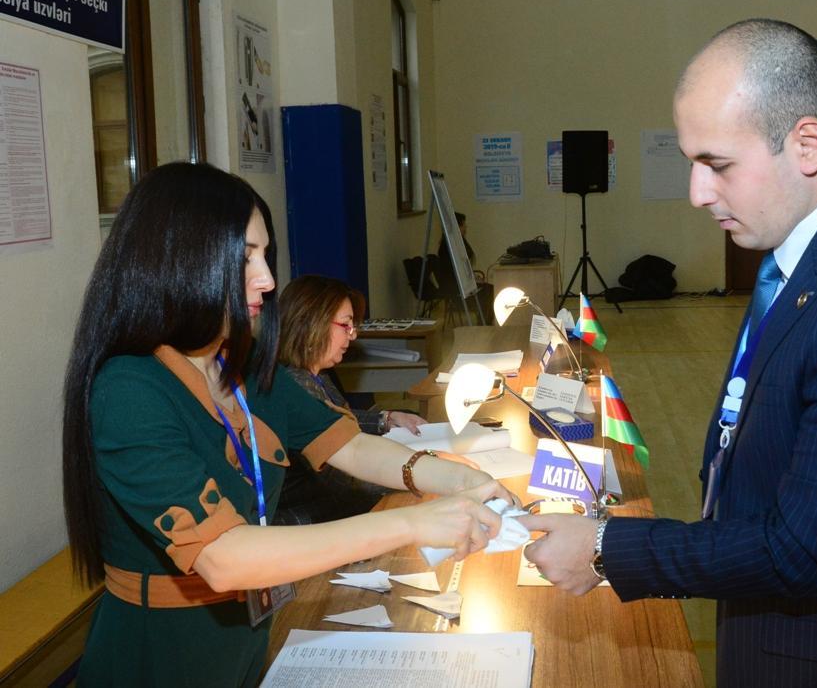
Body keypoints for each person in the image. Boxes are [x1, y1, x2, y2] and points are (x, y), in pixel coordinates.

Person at [520, 19, 817, 686]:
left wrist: (606, 548)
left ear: (806, 143)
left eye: (716, 164)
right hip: (781, 625)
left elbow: (808, 551)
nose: (697, 192)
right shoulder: (813, 244)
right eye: (691, 162)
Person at [62, 162, 515, 687]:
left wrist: (461, 479)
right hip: (163, 653)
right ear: (180, 261)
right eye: (246, 257)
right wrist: (411, 524)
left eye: (266, 255)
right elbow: (223, 557)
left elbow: (356, 448)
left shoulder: (244, 366)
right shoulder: (130, 389)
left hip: (247, 636)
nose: (268, 279)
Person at [274, 274, 429, 523]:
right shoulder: (295, 385)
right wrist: (422, 470)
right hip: (315, 522)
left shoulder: (315, 374)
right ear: (313, 323)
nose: (353, 335)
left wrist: (387, 419)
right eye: (346, 325)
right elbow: (351, 481)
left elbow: (332, 418)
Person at [437, 211, 494, 324]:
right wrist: (471, 279)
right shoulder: (448, 248)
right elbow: (454, 271)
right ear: (457, 227)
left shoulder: (457, 243)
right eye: (463, 225)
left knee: (489, 288)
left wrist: (472, 276)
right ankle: (483, 322)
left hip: (462, 282)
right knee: (487, 291)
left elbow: (461, 266)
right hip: (455, 287)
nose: (465, 227)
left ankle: (484, 321)